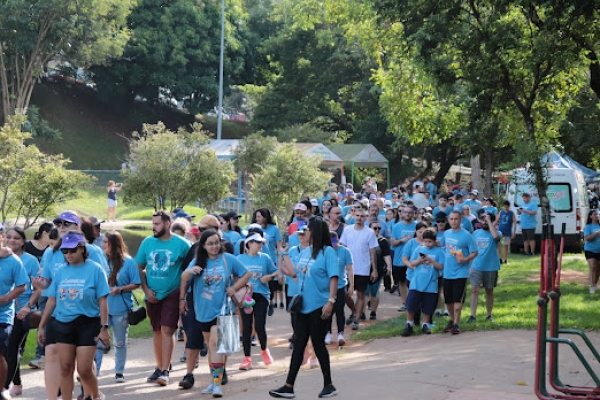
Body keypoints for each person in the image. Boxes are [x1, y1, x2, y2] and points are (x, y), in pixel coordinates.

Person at [34, 211, 109, 400]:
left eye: (72, 250)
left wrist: (104, 327)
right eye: (65, 251)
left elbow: (103, 295)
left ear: (82, 248)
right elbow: (51, 295)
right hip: (61, 320)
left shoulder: (95, 262)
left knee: (84, 368)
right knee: (63, 365)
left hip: (87, 320)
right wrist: (42, 324)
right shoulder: (57, 263)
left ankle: (94, 395)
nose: (68, 254)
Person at [270, 217, 339, 399]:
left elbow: (333, 277)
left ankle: (329, 385)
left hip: (319, 306)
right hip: (302, 306)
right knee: (299, 344)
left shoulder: (328, 252)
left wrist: (331, 301)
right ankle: (288, 386)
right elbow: (294, 272)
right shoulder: (306, 251)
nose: (305, 232)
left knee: (318, 344)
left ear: (315, 232)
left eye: (308, 229)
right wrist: (284, 255)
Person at [179, 229, 250, 397]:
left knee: (215, 344)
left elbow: (246, 274)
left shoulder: (228, 259)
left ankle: (217, 384)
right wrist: (189, 272)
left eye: (217, 243)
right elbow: (184, 278)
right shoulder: (198, 260)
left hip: (223, 309)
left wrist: (234, 288)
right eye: (210, 244)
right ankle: (213, 381)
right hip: (202, 310)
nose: (214, 246)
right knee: (211, 349)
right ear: (203, 246)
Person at [135, 211, 190, 386]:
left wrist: (183, 296)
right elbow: (139, 267)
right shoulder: (147, 243)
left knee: (167, 329)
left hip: (172, 292)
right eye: (153, 224)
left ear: (167, 224)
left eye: (157, 224)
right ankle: (159, 367)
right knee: (157, 330)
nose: (154, 227)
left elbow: (190, 269)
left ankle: (165, 370)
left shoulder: (182, 244)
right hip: (152, 294)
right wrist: (146, 290)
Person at [95, 231, 141, 381]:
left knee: (120, 342)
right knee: (98, 341)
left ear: (114, 244)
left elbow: (136, 283)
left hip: (120, 309)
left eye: (105, 242)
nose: (102, 245)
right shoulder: (100, 260)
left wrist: (120, 289)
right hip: (102, 308)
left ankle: (119, 372)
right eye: (102, 241)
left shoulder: (128, 262)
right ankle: (94, 372)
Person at [3, 228, 41, 399]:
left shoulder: (30, 261)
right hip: (7, 310)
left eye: (17, 238)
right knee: (10, 350)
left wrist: (28, 306)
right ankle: (17, 384)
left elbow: (39, 288)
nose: (12, 240)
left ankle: (4, 387)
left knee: (12, 348)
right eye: (9, 237)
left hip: (21, 311)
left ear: (23, 241)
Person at [236, 233, 278, 370]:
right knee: (246, 327)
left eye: (262, 243)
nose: (261, 245)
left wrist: (269, 277)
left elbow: (276, 271)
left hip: (262, 295)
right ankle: (247, 358)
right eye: (258, 242)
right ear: (249, 243)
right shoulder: (239, 259)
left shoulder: (265, 257)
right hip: (246, 296)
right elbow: (233, 275)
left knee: (260, 326)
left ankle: (265, 351)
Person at [0, 229, 28, 400]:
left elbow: (22, 285)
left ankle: (1, 389)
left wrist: (5, 298)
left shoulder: (13, 260)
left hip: (3, 315)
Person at [440, 211, 478, 335]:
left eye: (456, 219)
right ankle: (452, 320)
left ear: (460, 220)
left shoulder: (466, 235)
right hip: (447, 272)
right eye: (451, 219)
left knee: (457, 299)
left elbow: (475, 252)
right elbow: (442, 246)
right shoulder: (446, 233)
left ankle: (456, 323)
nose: (453, 221)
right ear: (448, 220)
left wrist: (465, 259)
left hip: (460, 273)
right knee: (448, 300)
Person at [401, 228, 445, 336]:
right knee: (412, 303)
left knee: (428, 305)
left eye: (430, 241)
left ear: (434, 241)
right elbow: (412, 263)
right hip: (416, 282)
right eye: (425, 241)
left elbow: (441, 267)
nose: (427, 244)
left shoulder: (439, 251)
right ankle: (409, 324)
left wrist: (431, 260)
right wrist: (420, 260)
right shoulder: (419, 249)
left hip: (431, 283)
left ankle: (425, 324)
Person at [340, 208, 378, 330]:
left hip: (363, 268)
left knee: (361, 295)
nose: (359, 218)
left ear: (366, 218)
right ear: (353, 216)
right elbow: (342, 247)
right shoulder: (347, 230)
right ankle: (354, 311)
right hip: (348, 268)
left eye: (362, 216)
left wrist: (374, 269)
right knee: (345, 294)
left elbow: (373, 252)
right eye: (357, 215)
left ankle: (356, 320)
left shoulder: (370, 233)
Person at [467, 210, 501, 323]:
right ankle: (472, 316)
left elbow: (495, 237)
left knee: (489, 290)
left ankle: (489, 315)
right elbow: (471, 249)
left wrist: (490, 222)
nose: (485, 221)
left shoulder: (497, 233)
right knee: (474, 290)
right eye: (483, 219)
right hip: (476, 266)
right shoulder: (476, 233)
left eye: (487, 219)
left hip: (491, 266)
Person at [251, 208, 283, 312]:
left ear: (265, 217)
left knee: (270, 284)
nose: (257, 219)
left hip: (271, 260)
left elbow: (279, 247)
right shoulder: (254, 228)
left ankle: (269, 302)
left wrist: (280, 264)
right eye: (256, 217)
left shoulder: (274, 229)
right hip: (256, 260)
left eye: (259, 216)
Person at [325, 231, 353, 346]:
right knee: (328, 311)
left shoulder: (345, 251)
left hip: (341, 285)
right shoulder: (325, 251)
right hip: (327, 287)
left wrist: (351, 285)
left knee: (339, 310)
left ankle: (341, 333)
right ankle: (328, 333)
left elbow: (350, 269)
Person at [390, 207, 417, 311]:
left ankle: (413, 302)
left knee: (413, 281)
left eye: (410, 212)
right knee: (402, 281)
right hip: (399, 259)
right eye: (405, 212)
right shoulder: (396, 226)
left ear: (413, 214)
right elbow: (393, 243)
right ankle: (403, 303)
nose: (407, 214)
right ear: (401, 213)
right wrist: (402, 240)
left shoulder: (417, 226)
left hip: (413, 259)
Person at [366, 221, 391, 320]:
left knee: (374, 291)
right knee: (364, 292)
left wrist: (389, 267)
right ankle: (361, 312)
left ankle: (373, 312)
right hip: (364, 270)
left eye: (379, 228)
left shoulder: (382, 241)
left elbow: (386, 255)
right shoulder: (365, 239)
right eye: (375, 228)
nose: (377, 230)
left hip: (379, 270)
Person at [584, 210, 600, 293]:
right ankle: (592, 286)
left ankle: (595, 284)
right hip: (590, 250)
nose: (597, 215)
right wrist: (597, 233)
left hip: (599, 250)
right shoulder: (588, 227)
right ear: (590, 216)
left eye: (598, 214)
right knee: (593, 267)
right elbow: (587, 238)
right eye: (595, 214)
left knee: (598, 269)